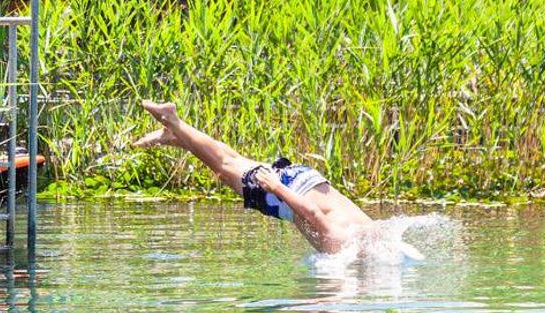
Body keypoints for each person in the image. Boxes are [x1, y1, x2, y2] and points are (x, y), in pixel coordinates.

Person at [133, 100, 377, 255]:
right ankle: (172, 120)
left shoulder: (374, 234)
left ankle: (175, 136)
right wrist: (276, 187)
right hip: (290, 193)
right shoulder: (343, 246)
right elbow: (313, 214)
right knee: (225, 168)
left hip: (309, 181)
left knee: (233, 160)